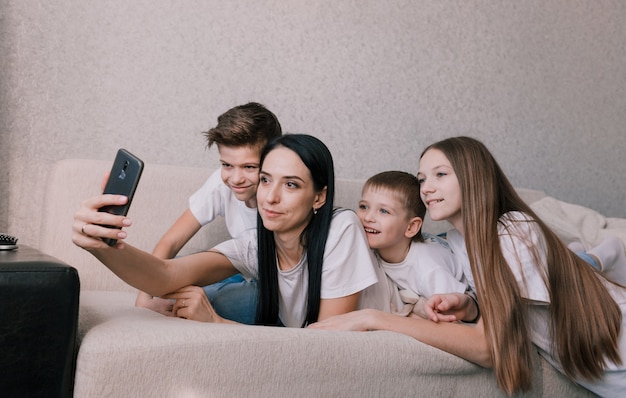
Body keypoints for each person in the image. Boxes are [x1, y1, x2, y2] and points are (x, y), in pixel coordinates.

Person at [310, 136, 625, 396]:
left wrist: (373, 318)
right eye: (422, 179)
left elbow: (489, 346)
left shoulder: (513, 230)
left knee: (580, 262)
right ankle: (591, 257)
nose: (427, 188)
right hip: (603, 375)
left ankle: (600, 254)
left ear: (474, 176)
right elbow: (496, 309)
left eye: (440, 175)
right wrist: (469, 307)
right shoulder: (456, 241)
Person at [73, 134, 379, 328]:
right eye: (266, 180)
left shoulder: (341, 228)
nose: (270, 197)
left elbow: (328, 347)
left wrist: (216, 322)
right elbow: (165, 275)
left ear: (319, 197)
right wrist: (102, 245)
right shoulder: (256, 245)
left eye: (291, 184)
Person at [135, 102, 282, 323]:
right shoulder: (221, 184)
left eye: (249, 167)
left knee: (213, 301)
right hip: (242, 274)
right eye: (227, 165)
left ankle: (201, 305)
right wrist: (144, 299)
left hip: (277, 290)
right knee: (175, 269)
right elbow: (171, 242)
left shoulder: (282, 196)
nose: (236, 178)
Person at [356, 171, 476, 320]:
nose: (368, 217)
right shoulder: (370, 250)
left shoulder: (428, 268)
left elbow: (456, 314)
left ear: (411, 227)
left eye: (384, 211)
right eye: (363, 206)